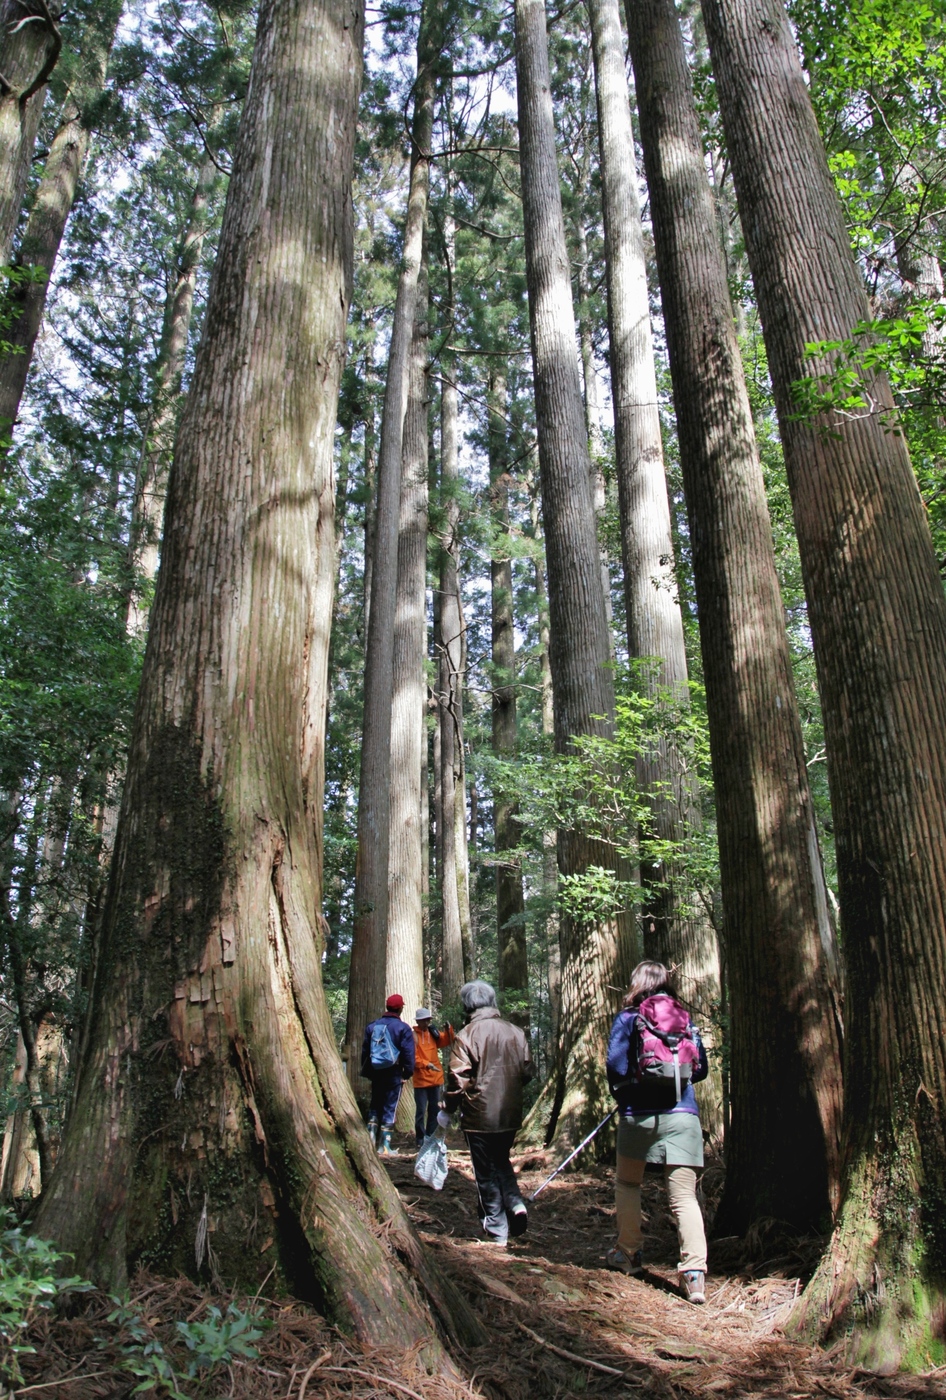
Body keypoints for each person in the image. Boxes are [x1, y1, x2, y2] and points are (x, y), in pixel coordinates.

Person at [605, 960, 709, 1304]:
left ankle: (628, 1254)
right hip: (683, 1116)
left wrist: (627, 1093)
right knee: (683, 1197)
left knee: (628, 1184)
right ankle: (694, 1274)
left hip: (637, 1117)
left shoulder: (628, 1018)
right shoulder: (684, 1019)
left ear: (636, 984)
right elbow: (701, 1069)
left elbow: (616, 1067)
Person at [442, 980, 534, 1245]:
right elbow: (526, 1071)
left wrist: (448, 1108)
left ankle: (496, 1230)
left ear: (468, 1004)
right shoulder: (515, 1032)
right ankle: (516, 1204)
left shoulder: (467, 1035)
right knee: (501, 1161)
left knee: (485, 1172)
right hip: (509, 1113)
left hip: (479, 1116)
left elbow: (457, 1079)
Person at [361, 994, 415, 1156]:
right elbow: (408, 1053)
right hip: (394, 1073)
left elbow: (366, 1052)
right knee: (390, 1107)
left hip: (376, 1072)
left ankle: (370, 1142)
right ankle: (385, 1146)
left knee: (375, 1104)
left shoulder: (372, 1026)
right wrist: (407, 1073)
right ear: (400, 1008)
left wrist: (369, 1072)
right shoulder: (403, 1028)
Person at [412, 1008, 455, 1146]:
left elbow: (446, 1040)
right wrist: (426, 1064)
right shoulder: (414, 1036)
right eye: (424, 1020)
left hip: (435, 1079)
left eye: (428, 1020)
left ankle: (430, 1136)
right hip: (420, 1080)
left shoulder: (433, 1033)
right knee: (420, 1111)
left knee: (434, 1110)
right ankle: (420, 1138)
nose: (427, 1022)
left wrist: (449, 1030)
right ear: (418, 1021)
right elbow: (412, 1058)